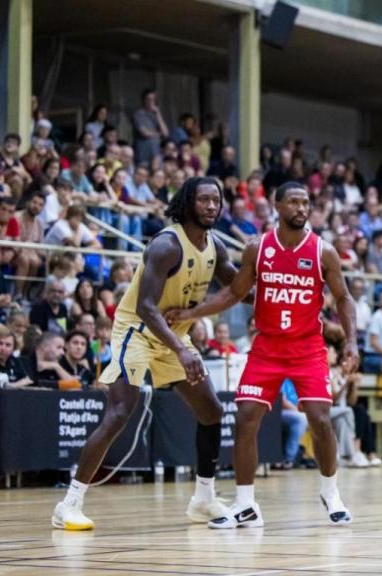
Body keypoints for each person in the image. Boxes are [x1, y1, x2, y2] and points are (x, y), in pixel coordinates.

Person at [166, 181, 359, 529]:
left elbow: (344, 299)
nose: (301, 209)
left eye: (306, 203)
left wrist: (352, 343)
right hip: (267, 347)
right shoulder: (258, 248)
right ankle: (246, 504)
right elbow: (233, 293)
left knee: (319, 418)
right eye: (294, 203)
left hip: (307, 348)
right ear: (277, 206)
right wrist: (193, 313)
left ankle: (330, 492)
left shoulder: (323, 251)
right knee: (245, 418)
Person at [51, 177, 234, 531]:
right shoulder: (166, 245)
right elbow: (146, 307)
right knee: (120, 412)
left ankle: (203, 499)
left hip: (173, 334)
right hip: (136, 330)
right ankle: (68, 504)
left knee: (211, 410)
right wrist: (182, 350)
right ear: (188, 203)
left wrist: (277, 280)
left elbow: (239, 286)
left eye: (217, 200)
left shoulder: (216, 247)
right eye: (204, 200)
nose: (212, 206)